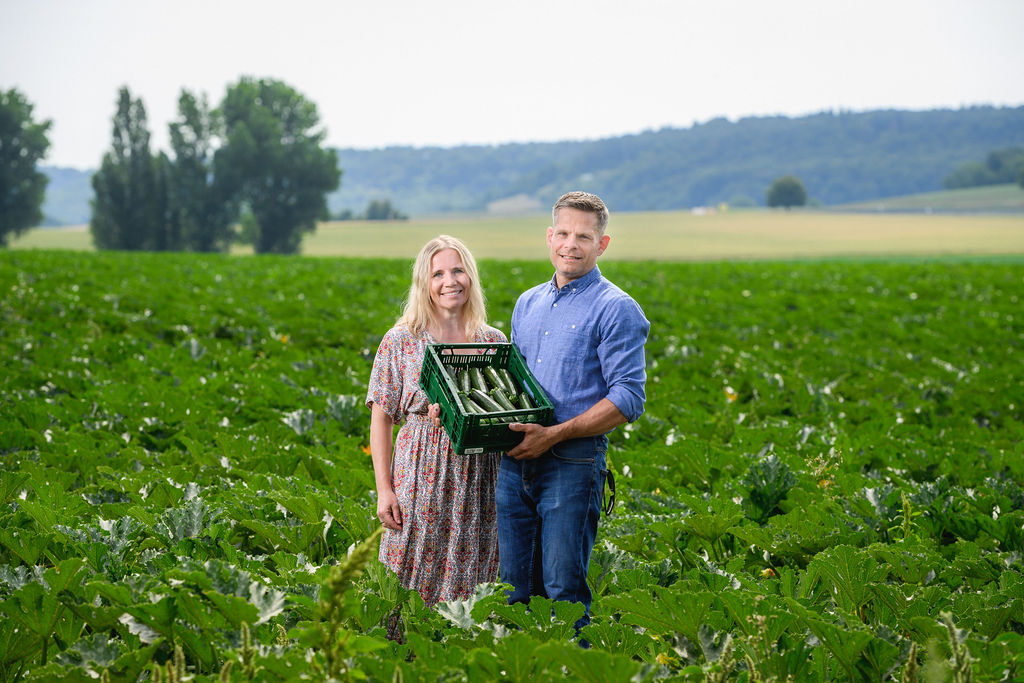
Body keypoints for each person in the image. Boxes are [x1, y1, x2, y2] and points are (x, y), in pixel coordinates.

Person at [498, 191, 650, 636]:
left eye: (584, 236)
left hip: (572, 464)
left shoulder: (616, 308)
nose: (571, 244)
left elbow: (628, 398)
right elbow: (513, 384)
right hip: (513, 464)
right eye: (563, 233)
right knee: (512, 589)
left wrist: (555, 434)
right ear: (549, 237)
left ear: (602, 245)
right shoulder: (527, 303)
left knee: (563, 590)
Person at [365, 235, 506, 612]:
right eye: (438, 273)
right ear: (424, 284)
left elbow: (504, 410)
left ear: (471, 277)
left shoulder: (492, 341)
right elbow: (381, 420)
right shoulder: (401, 341)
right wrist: (384, 489)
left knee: (473, 571)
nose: (450, 281)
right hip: (419, 472)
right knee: (407, 571)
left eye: (458, 270)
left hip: (479, 478)